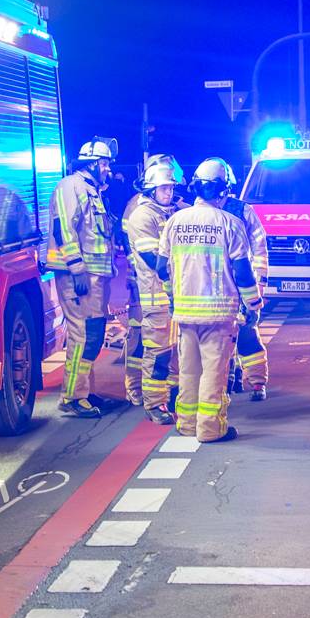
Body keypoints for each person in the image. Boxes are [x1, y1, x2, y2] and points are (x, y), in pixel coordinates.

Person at [160, 157, 262, 444]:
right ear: (223, 190)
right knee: (213, 373)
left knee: (188, 370)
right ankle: (210, 429)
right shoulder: (230, 223)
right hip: (218, 313)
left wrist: (172, 297)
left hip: (185, 313)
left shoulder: (175, 221)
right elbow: (243, 271)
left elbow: (161, 267)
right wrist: (253, 304)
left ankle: (186, 424)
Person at [48, 137, 121, 417]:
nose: (107, 169)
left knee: (93, 334)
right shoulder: (71, 186)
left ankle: (85, 392)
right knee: (82, 336)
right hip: (78, 277)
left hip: (94, 276)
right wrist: (76, 268)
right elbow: (64, 229)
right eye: (104, 163)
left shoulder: (92, 190)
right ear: (91, 164)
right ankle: (72, 398)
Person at [122, 158, 184, 425]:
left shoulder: (174, 212)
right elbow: (153, 259)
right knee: (157, 353)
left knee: (177, 350)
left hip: (178, 295)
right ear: (151, 189)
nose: (169, 193)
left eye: (171, 188)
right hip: (157, 296)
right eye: (164, 188)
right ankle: (154, 403)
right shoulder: (142, 216)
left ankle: (173, 394)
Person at [220, 168, 272, 401]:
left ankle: (257, 382)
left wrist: (258, 284)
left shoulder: (243, 210)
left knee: (247, 333)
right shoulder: (201, 212)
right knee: (221, 337)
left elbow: (259, 248)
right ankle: (229, 379)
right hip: (219, 286)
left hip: (241, 283)